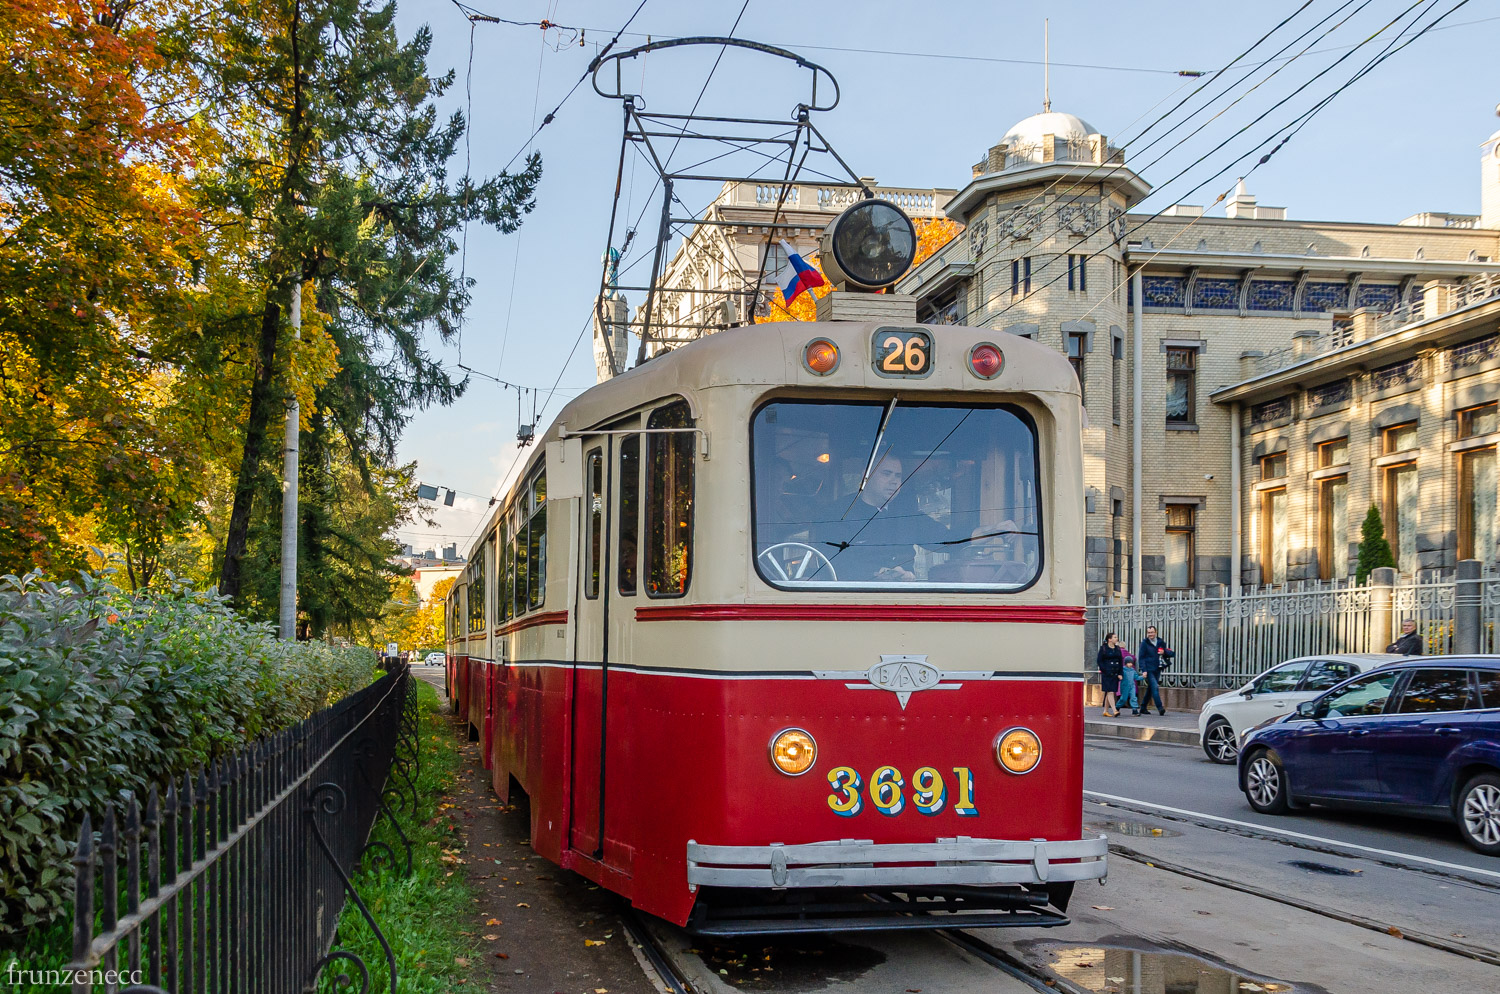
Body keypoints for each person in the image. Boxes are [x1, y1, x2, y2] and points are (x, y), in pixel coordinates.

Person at [1136, 625, 1173, 716]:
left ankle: (1143, 707)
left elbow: (1169, 653)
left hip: (1158, 668)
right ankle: (1160, 707)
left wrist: (1164, 652)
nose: (1150, 634)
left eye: (1152, 632)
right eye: (1149, 633)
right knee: (1155, 687)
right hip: (1149, 669)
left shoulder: (1160, 642)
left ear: (1155, 632)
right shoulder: (1144, 643)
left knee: (1151, 688)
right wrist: (1144, 670)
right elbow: (1141, 658)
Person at [1095, 633, 1124, 717]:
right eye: (1115, 637)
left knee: (1110, 691)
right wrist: (1104, 670)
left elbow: (1120, 661)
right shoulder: (1103, 648)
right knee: (1110, 691)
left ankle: (1105, 710)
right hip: (1107, 673)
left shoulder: (1117, 648)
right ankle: (1115, 710)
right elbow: (1099, 660)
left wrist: (1120, 673)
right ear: (1109, 639)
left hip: (1115, 673)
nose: (1116, 638)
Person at [1118, 649, 1140, 716]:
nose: (1130, 664)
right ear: (1125, 663)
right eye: (1129, 663)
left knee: (1133, 698)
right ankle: (1117, 707)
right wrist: (1119, 677)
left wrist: (1143, 677)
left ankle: (1134, 710)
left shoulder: (1132, 670)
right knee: (1123, 699)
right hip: (1125, 686)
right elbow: (1120, 676)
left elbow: (1136, 677)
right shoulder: (1123, 670)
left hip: (1132, 686)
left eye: (1131, 663)